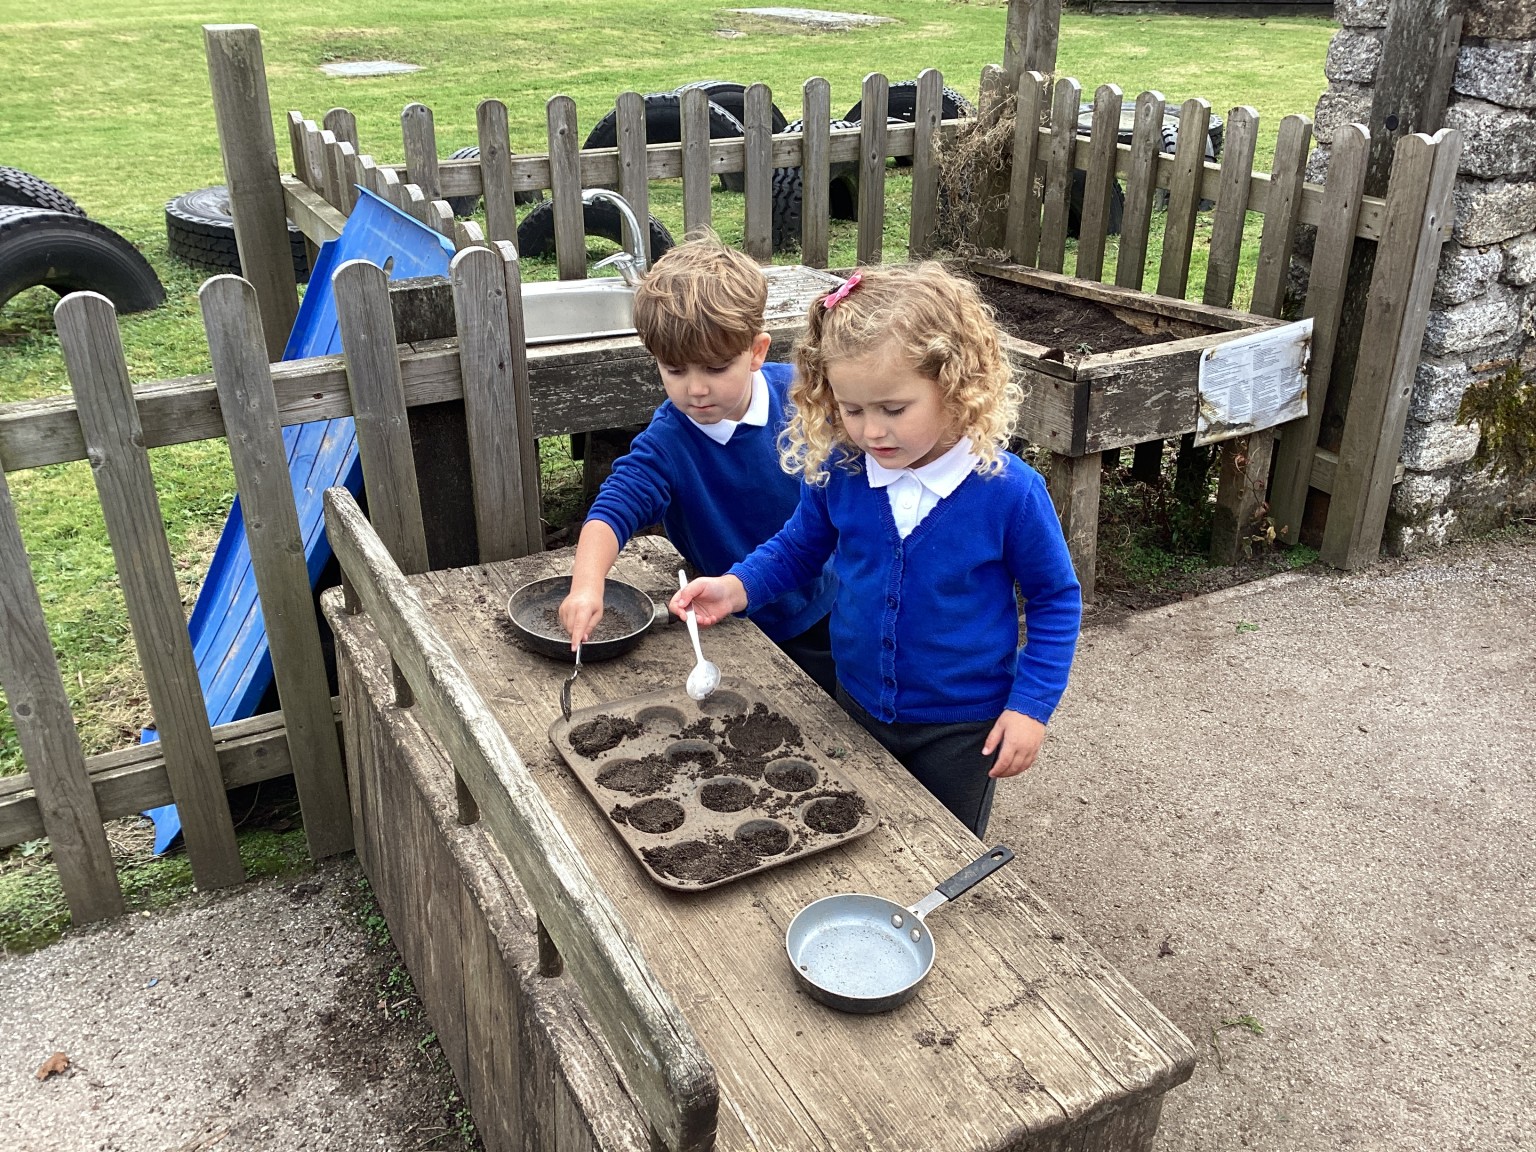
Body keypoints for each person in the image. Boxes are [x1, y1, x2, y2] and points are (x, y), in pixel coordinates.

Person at [671, 263, 1082, 837]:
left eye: (894, 409)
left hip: (961, 726)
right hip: (856, 700)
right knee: (857, 832)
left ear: (956, 386)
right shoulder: (844, 469)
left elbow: (1055, 600)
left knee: (944, 849)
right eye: (852, 409)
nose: (871, 432)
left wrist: (1030, 706)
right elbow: (797, 548)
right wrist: (735, 586)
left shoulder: (1008, 492)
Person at [559, 234, 837, 695]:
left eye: (713, 368)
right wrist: (587, 585)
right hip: (730, 621)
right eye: (675, 370)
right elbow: (613, 509)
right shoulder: (669, 440)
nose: (696, 389)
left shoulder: (805, 399)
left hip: (829, 602)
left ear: (757, 351)